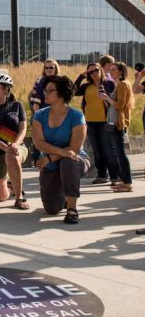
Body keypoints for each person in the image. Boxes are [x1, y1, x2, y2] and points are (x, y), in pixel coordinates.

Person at [32, 75, 90, 224]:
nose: (46, 93)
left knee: (68, 162)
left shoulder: (77, 115)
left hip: (76, 159)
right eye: (45, 90)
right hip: (50, 164)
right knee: (52, 209)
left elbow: (74, 149)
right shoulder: (39, 115)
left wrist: (50, 157)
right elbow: (39, 143)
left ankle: (72, 209)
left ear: (62, 93)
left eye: (50, 90)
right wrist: (61, 153)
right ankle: (62, 195)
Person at [0, 73, 29, 209]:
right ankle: (11, 187)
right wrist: (5, 147)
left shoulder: (17, 105)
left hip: (17, 147)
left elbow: (23, 129)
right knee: (0, 197)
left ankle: (19, 197)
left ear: (6, 89)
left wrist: (15, 144)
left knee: (12, 155)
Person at [74, 62, 116, 184]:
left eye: (96, 70)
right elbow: (73, 90)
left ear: (101, 70)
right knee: (97, 151)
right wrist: (81, 77)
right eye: (90, 72)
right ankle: (102, 175)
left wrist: (106, 97)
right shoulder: (86, 86)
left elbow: (115, 101)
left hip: (105, 121)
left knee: (108, 150)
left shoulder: (109, 84)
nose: (93, 73)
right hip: (90, 122)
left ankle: (115, 177)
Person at [99, 62, 134, 192]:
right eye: (111, 69)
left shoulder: (123, 84)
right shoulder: (118, 85)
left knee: (120, 153)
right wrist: (105, 99)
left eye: (114, 69)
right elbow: (114, 106)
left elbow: (120, 105)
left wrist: (107, 98)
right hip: (114, 122)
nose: (111, 71)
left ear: (121, 71)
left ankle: (128, 183)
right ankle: (124, 181)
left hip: (119, 123)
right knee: (118, 154)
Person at [29, 59, 61, 163]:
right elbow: (36, 102)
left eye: (51, 67)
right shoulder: (40, 81)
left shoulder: (61, 81)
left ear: (56, 69)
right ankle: (40, 161)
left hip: (58, 115)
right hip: (43, 114)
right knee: (40, 140)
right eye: (46, 67)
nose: (48, 70)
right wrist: (38, 117)